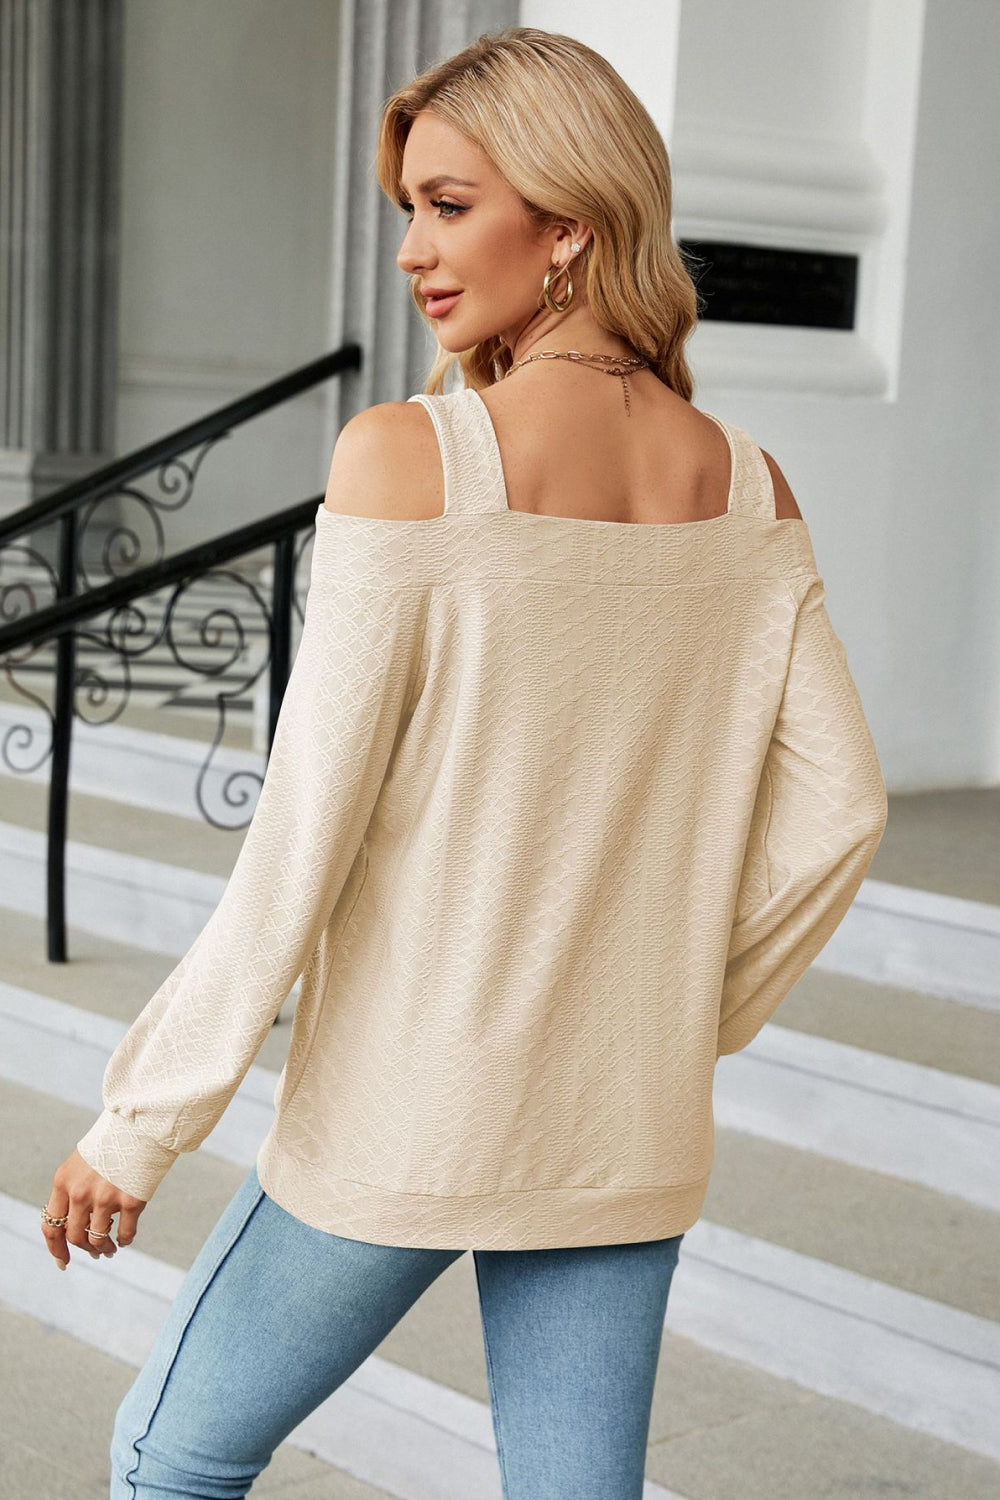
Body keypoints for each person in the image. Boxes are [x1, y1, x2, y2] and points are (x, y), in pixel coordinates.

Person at [40, 25, 888, 1500]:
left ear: (567, 225)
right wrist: (669, 1019)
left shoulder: (410, 456)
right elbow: (843, 811)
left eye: (448, 204)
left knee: (169, 1461)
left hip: (412, 1108)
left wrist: (143, 1121)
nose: (412, 252)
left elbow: (302, 834)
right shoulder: (750, 488)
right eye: (408, 210)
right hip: (623, 1123)